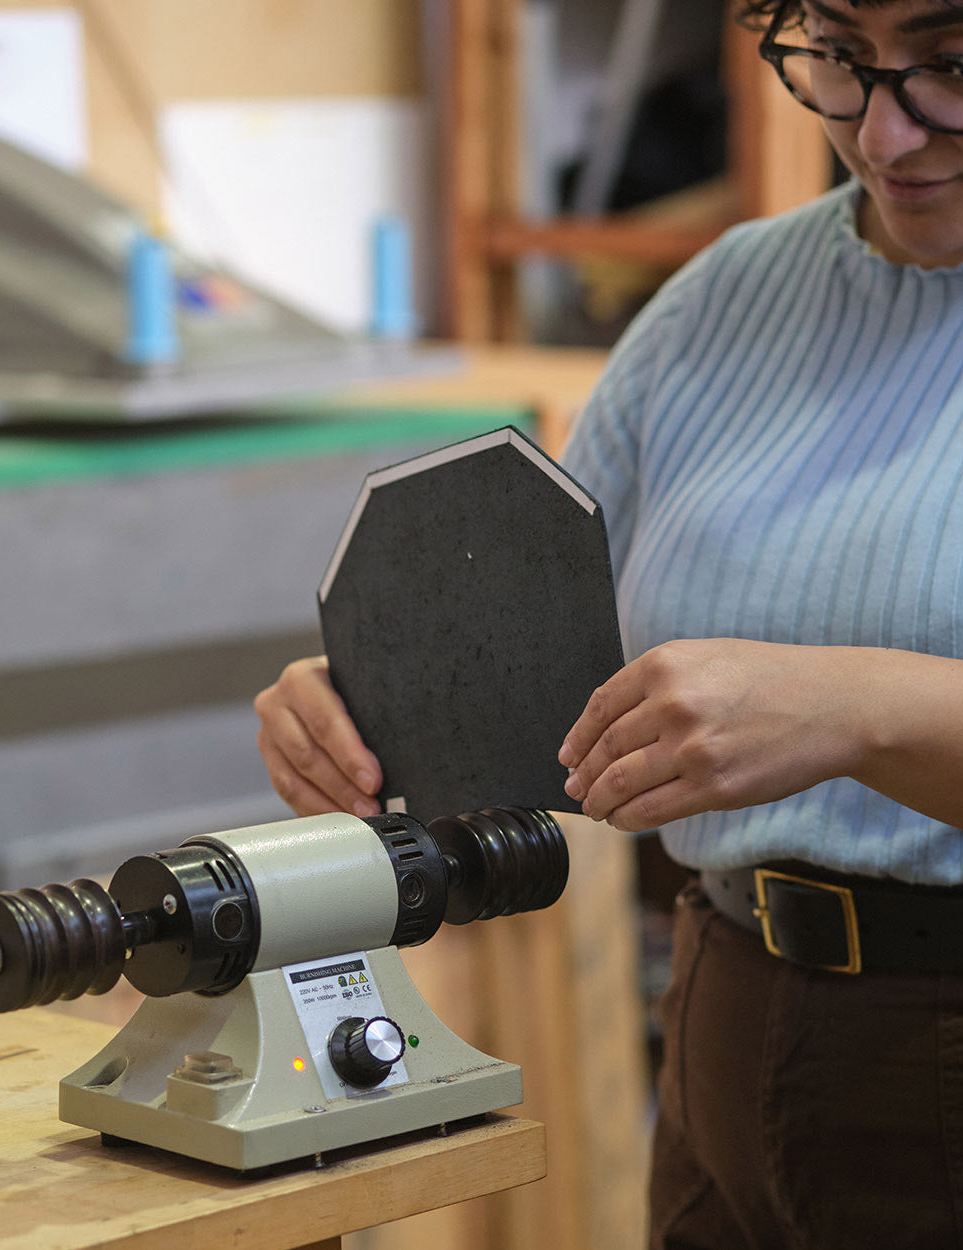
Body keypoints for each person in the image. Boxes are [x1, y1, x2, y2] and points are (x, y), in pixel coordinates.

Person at [255, 1, 963, 1243]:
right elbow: (554, 637)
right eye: (842, 60)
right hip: (728, 1021)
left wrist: (858, 710)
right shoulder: (731, 297)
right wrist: (371, 697)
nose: (887, 134)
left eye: (949, 63)